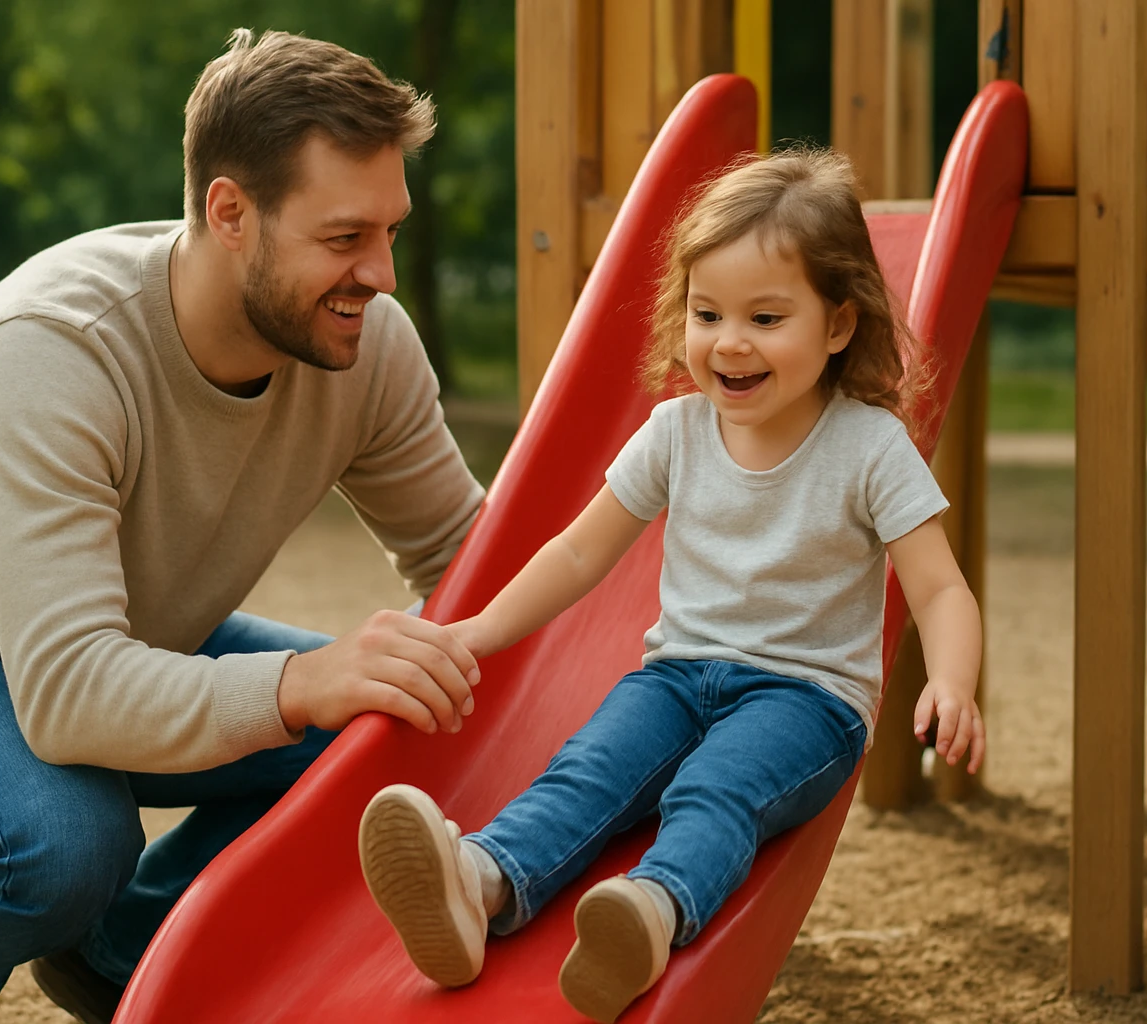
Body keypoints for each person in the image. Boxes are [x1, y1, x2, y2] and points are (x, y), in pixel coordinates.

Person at [0, 30, 488, 1024]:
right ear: (230, 212)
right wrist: (301, 682)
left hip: (125, 637)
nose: (382, 273)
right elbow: (68, 695)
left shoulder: (368, 346)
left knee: (394, 731)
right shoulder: (57, 347)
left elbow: (471, 561)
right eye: (343, 238)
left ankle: (118, 952)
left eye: (392, 232)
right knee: (66, 840)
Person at [356, 148, 986, 1024]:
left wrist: (952, 680)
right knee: (591, 767)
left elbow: (941, 588)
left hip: (807, 700)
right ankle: (482, 880)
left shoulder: (869, 449)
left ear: (839, 325)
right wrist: (477, 631)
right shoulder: (676, 432)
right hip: (679, 675)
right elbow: (578, 554)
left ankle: (650, 912)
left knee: (718, 788)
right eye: (707, 313)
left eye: (766, 318)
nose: (729, 341)